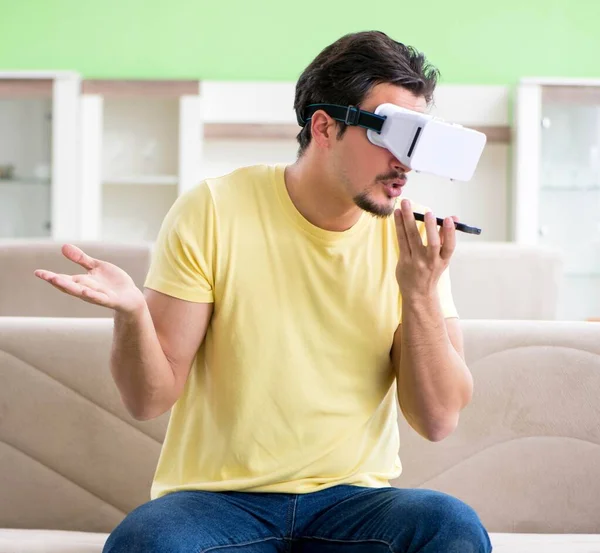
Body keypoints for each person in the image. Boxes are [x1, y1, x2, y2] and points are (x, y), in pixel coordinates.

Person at [35, 30, 492, 553]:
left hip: (353, 503)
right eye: (391, 133)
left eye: (418, 140)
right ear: (325, 127)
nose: (405, 162)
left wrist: (419, 294)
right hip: (220, 503)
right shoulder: (213, 209)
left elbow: (437, 420)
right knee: (147, 540)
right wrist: (133, 314)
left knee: (450, 525)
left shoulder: (412, 244)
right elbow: (147, 400)